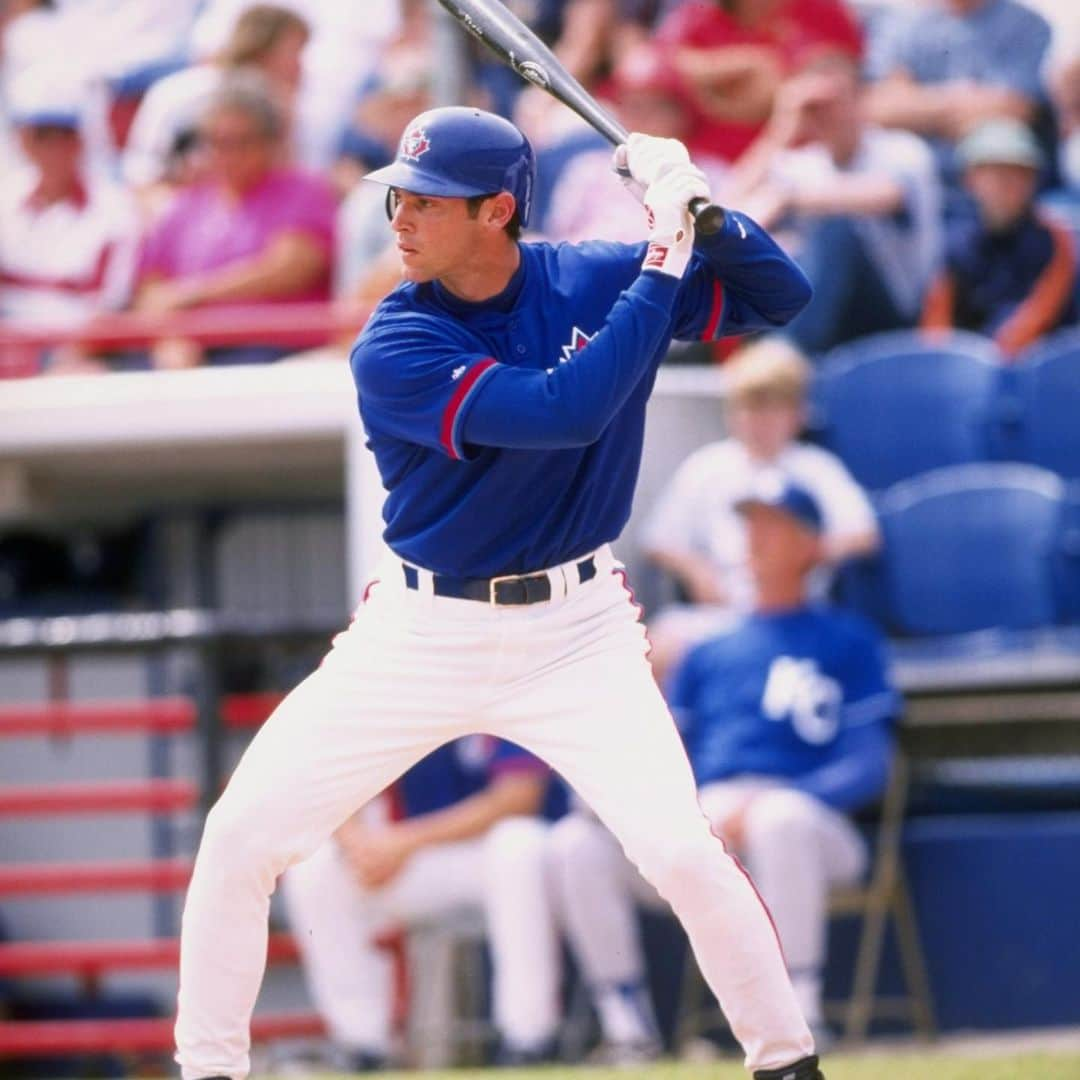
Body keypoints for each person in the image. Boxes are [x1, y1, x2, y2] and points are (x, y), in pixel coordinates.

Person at [174, 105, 824, 1080]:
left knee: (683, 853)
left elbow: (782, 295)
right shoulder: (395, 341)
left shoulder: (587, 276)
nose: (400, 217)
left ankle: (788, 1065)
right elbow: (566, 411)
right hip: (418, 631)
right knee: (240, 836)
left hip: (579, 630)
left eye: (428, 202)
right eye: (399, 195)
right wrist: (663, 257)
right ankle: (208, 1069)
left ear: (497, 211)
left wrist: (705, 209)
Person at [549, 477, 898, 1055]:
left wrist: (766, 803)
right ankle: (627, 1030)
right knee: (575, 841)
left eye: (774, 526)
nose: (756, 538)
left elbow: (869, 764)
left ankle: (799, 1013)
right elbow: (671, 756)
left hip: (813, 826)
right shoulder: (710, 648)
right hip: (712, 822)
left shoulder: (848, 638)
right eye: (750, 525)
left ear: (811, 545)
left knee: (779, 819)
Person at [282, 736, 561, 1069]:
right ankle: (365, 1047)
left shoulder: (509, 686)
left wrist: (403, 842)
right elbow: (338, 781)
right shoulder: (400, 692)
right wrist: (360, 845)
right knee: (315, 866)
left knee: (517, 844)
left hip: (531, 862)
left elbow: (518, 799)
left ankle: (528, 1041)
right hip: (425, 857)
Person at [641, 338, 879, 684]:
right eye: (749, 407)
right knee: (656, 646)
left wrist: (800, 558)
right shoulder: (708, 466)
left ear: (796, 414)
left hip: (796, 615)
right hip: (724, 613)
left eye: (771, 408)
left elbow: (864, 535)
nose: (758, 421)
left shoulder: (816, 468)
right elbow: (659, 539)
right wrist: (698, 570)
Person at [724, 55, 942, 353]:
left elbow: (884, 195)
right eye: (815, 107)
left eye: (835, 101)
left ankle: (786, 355)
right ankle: (772, 356)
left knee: (835, 228)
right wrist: (782, 128)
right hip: (822, 308)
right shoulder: (803, 163)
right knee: (762, 245)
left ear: (860, 100)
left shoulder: (901, 149)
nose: (827, 114)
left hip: (894, 312)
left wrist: (787, 199)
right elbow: (722, 215)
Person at [133, 74, 336, 368]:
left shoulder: (305, 191)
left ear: (270, 143)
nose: (228, 155)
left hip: (271, 351)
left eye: (242, 142)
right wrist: (172, 337)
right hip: (188, 352)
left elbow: (289, 269)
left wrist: (193, 294)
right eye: (217, 142)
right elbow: (152, 287)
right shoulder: (185, 204)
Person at [0, 84, 139, 372]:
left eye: (64, 134)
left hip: (70, 353)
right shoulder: (6, 197)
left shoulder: (115, 211)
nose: (54, 146)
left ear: (81, 140)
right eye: (41, 135)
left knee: (84, 376)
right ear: (24, 140)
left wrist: (56, 365)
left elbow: (109, 310)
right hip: (9, 343)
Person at [122, 4, 311, 200]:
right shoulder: (181, 95)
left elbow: (292, 185)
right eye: (295, 53)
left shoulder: (286, 109)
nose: (301, 67)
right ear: (262, 50)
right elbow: (143, 181)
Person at [921, 118, 1077, 355]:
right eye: (993, 174)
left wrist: (996, 356)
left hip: (1040, 365)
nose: (1005, 184)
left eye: (1017, 174)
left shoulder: (1056, 240)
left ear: (1032, 181)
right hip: (970, 367)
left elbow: (1044, 310)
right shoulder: (956, 245)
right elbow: (937, 323)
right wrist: (944, 361)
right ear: (970, 180)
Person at [653, 0, 863, 163]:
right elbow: (653, 67)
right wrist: (725, 66)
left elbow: (849, 89)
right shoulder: (697, 14)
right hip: (710, 169)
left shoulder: (821, 10)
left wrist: (779, 89)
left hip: (801, 166)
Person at [864, 0, 1052, 182]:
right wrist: (960, 100)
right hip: (922, 178)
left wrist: (919, 107)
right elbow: (881, 109)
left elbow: (1014, 110)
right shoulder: (906, 24)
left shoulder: (1026, 25)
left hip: (993, 181)